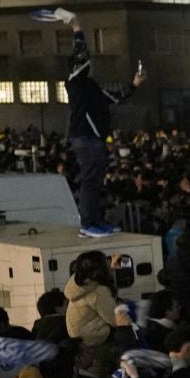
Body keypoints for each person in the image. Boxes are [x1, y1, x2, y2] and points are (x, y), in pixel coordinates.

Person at [62, 14, 143, 239]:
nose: (89, 63)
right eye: (84, 62)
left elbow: (114, 97)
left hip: (93, 138)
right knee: (90, 180)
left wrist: (134, 85)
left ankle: (95, 221)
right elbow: (81, 55)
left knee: (96, 181)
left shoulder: (90, 86)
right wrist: (76, 28)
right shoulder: (75, 82)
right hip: (85, 137)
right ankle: (87, 224)